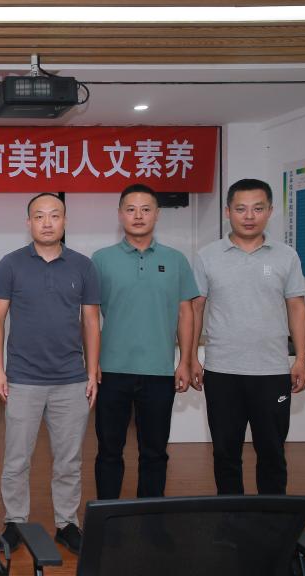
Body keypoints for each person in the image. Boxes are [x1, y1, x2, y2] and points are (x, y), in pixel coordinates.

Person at [0, 192, 100, 556]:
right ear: (29, 223)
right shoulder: (10, 264)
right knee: (16, 459)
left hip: (71, 380)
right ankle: (15, 522)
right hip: (22, 378)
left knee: (69, 460)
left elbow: (91, 322)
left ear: (65, 221)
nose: (47, 222)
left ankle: (67, 524)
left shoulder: (83, 266)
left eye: (55, 215)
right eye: (39, 216)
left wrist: (92, 372)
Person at [190, 178, 305, 495]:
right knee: (225, 454)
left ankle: (272, 519)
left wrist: (301, 359)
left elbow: (297, 308)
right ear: (228, 212)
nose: (249, 216)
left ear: (270, 211)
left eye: (258, 208)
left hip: (271, 371)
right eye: (241, 209)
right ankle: (231, 517)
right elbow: (196, 308)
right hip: (222, 370)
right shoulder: (207, 256)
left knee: (272, 453)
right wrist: (191, 359)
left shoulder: (286, 256)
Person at [90, 184, 199, 500]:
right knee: (109, 450)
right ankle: (107, 514)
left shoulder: (175, 260)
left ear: (157, 214)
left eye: (146, 209)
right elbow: (90, 315)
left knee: (154, 452)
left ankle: (150, 516)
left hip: (159, 371)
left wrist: (185, 361)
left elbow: (186, 313)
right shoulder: (101, 259)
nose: (138, 216)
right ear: (120, 214)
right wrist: (91, 364)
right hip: (112, 371)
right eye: (131, 209)